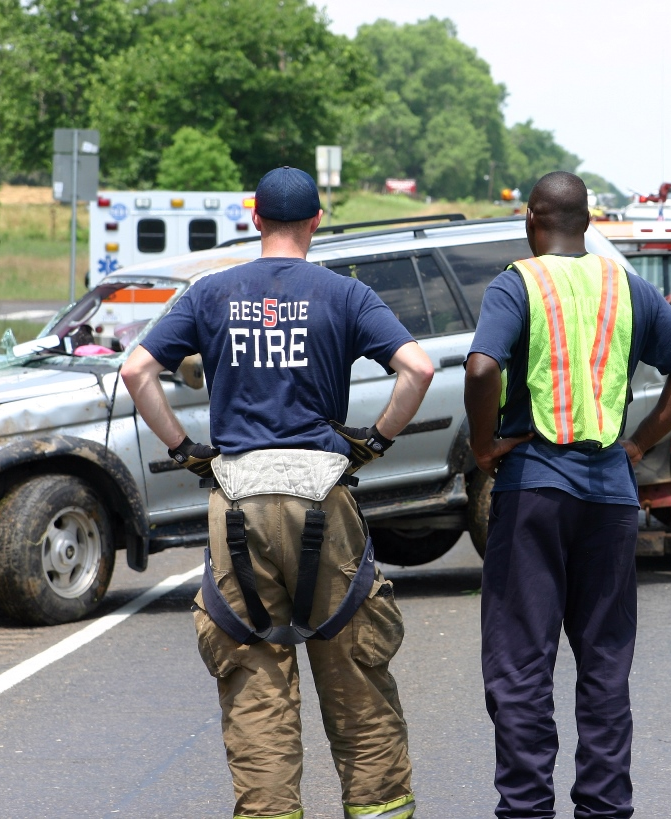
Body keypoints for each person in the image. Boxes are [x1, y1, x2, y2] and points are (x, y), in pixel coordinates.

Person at [120, 166, 433, 819]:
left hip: (237, 502)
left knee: (255, 681)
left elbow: (136, 369)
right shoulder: (344, 294)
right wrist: (373, 440)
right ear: (316, 220)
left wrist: (183, 448)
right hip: (323, 496)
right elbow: (417, 368)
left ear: (254, 219)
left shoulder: (210, 293)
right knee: (354, 673)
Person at [464, 171, 671, 819]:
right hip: (608, 495)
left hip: (533, 490)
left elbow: (482, 366)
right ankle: (604, 807)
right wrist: (638, 444)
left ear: (531, 220)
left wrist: (485, 445)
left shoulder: (517, 283)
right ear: (587, 221)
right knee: (603, 662)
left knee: (521, 661)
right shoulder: (624, 286)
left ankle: (526, 809)